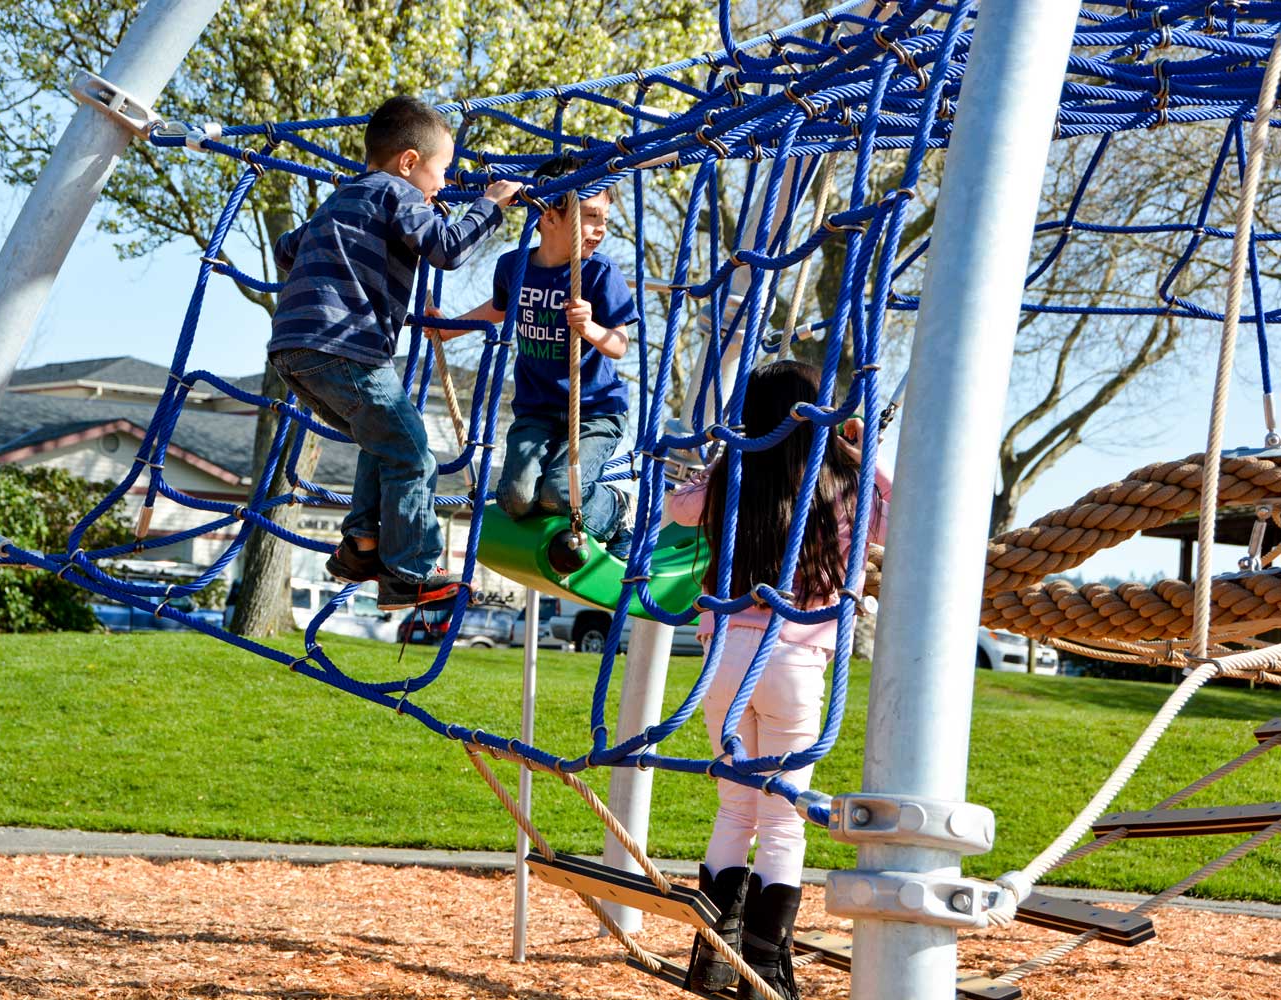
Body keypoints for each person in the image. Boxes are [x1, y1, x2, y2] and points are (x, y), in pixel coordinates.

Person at [668, 362, 891, 1000]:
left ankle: (712, 963)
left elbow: (679, 510)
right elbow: (898, 511)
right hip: (795, 658)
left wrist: (721, 456)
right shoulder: (845, 479)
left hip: (726, 654)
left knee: (737, 806)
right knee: (784, 817)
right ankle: (764, 969)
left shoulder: (737, 469)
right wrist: (858, 447)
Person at [267, 96, 523, 611]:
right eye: (442, 171)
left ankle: (361, 546)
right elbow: (447, 249)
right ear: (409, 162)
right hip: (348, 347)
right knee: (413, 454)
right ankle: (412, 571)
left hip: (293, 351)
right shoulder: (397, 192)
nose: (444, 184)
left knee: (383, 443)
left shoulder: (343, 196)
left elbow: (287, 248)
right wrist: (490, 206)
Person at [435, 156, 639, 558]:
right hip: (537, 410)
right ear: (548, 217)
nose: (600, 229)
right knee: (514, 498)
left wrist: (591, 328)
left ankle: (614, 512)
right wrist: (448, 328)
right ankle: (551, 517)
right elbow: (497, 309)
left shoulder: (599, 273)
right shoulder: (514, 266)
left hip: (595, 410)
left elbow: (619, 344)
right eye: (591, 217)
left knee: (562, 491)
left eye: (605, 219)